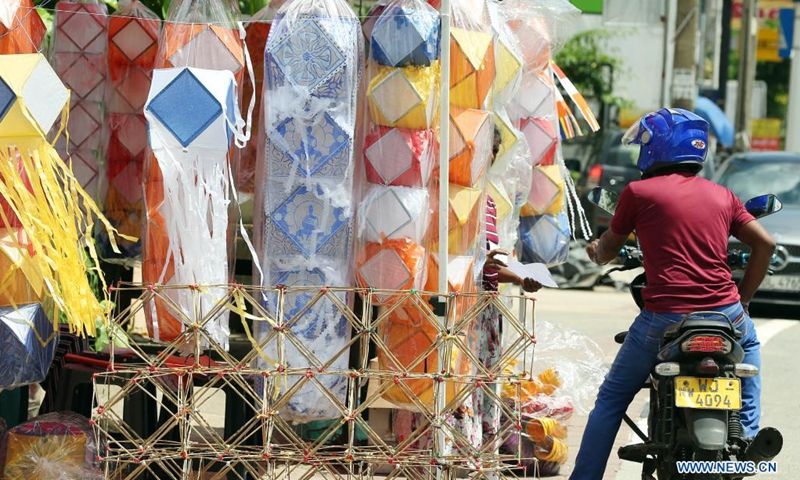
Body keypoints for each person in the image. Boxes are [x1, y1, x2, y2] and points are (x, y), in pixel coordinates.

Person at [570, 108, 775, 480]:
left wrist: (595, 251)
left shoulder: (637, 192)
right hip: (726, 314)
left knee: (612, 399)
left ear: (657, 148)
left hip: (664, 318)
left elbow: (608, 249)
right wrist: (741, 300)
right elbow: (766, 244)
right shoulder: (723, 195)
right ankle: (746, 438)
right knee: (752, 352)